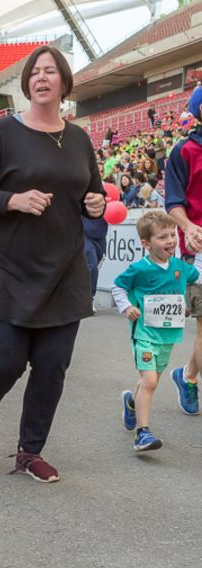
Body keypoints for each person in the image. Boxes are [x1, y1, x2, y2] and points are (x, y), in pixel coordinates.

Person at [0, 45, 105, 482]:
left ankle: (29, 452)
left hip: (63, 271)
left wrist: (95, 204)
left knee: (52, 365)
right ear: (27, 83)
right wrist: (13, 199)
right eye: (35, 72)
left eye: (50, 71)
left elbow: (90, 194)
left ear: (64, 82)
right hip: (8, 267)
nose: (42, 78)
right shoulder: (3, 134)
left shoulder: (79, 139)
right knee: (4, 360)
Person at [112, 211, 199, 451]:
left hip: (167, 336)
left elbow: (196, 278)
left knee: (149, 382)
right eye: (163, 237)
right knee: (149, 380)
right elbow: (117, 287)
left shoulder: (181, 267)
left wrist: (184, 305)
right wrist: (127, 306)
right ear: (146, 243)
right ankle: (143, 433)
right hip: (144, 334)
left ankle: (131, 402)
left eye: (173, 235)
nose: (170, 241)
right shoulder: (140, 268)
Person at [165, 85, 202, 415]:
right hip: (198, 250)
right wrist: (188, 226)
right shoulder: (184, 151)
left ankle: (188, 376)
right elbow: (173, 202)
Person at [82, 215, 108, 313]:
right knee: (92, 266)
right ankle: (89, 300)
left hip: (100, 236)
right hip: (85, 236)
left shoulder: (107, 200)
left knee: (93, 266)